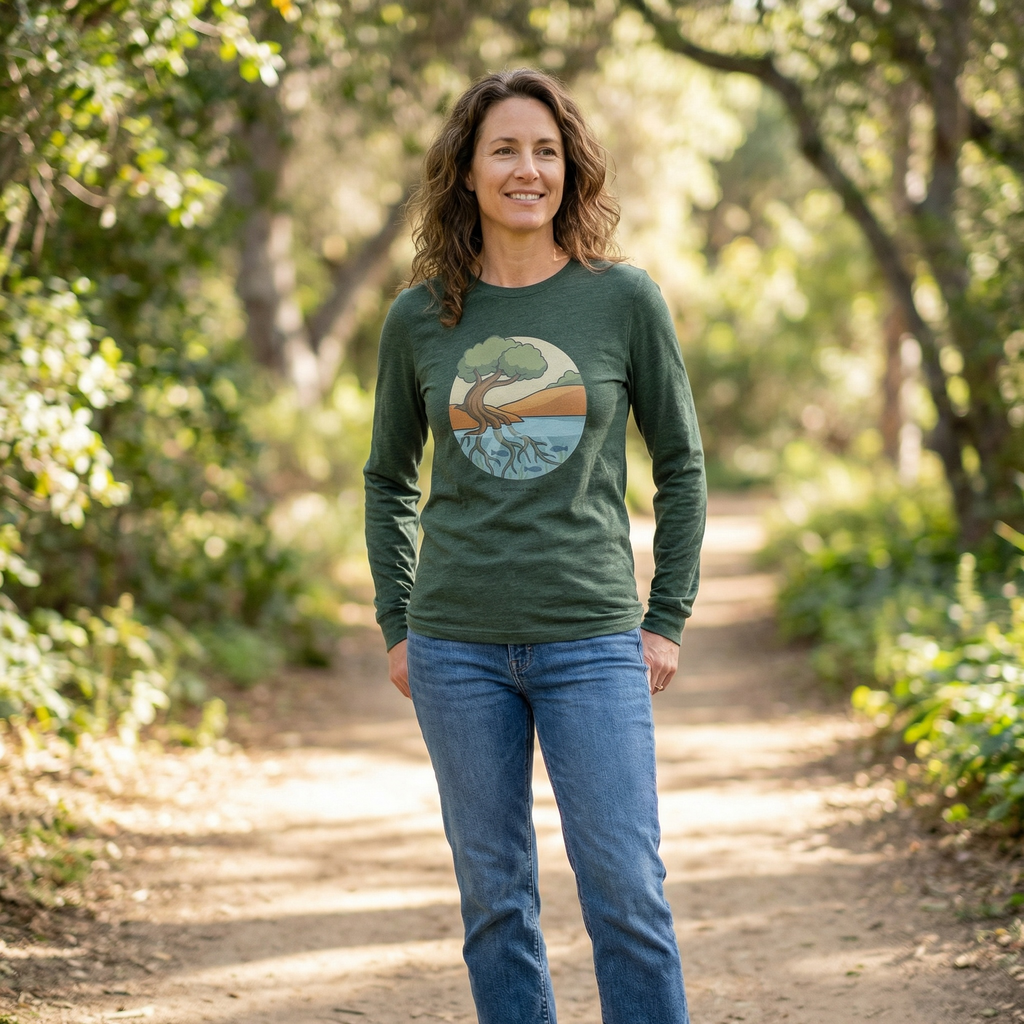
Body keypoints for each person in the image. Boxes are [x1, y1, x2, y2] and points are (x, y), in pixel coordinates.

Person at [363, 68, 705, 1024]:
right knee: (495, 904)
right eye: (504, 150)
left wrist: (665, 614)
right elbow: (388, 479)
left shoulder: (624, 300)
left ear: (571, 171)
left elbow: (681, 464)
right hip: (455, 648)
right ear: (466, 174)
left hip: (592, 640)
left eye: (546, 151)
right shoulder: (419, 318)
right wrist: (400, 622)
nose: (528, 170)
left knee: (628, 897)